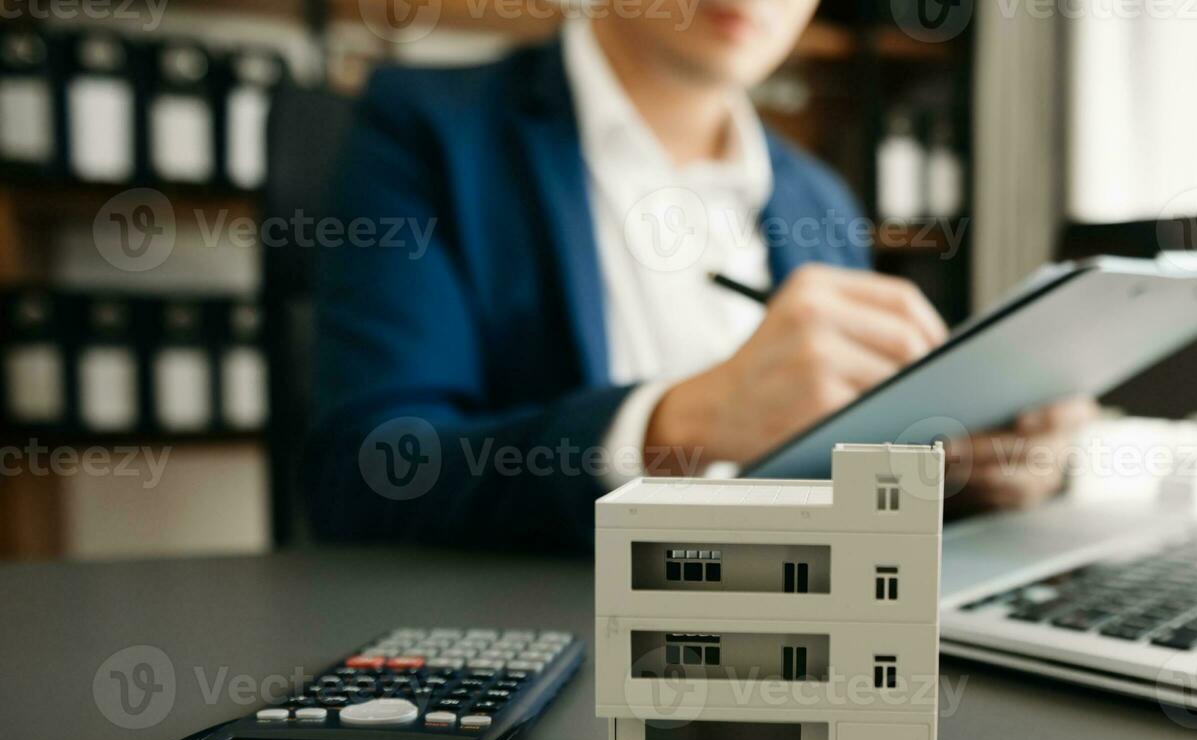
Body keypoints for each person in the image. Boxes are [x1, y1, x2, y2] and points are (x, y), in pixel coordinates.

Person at [308, 0, 1094, 551]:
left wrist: (958, 480)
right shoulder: (426, 132)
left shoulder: (819, 199)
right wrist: (669, 425)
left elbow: (840, 493)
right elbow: (367, 477)